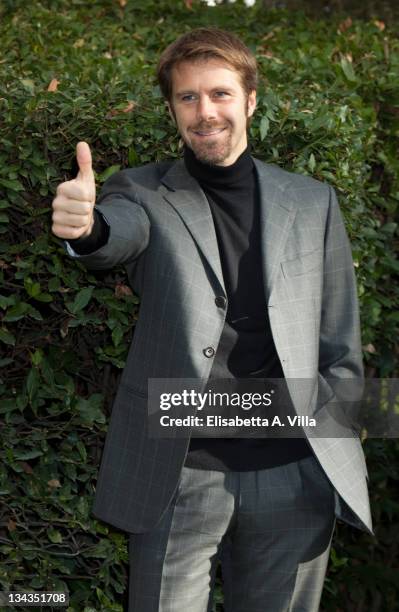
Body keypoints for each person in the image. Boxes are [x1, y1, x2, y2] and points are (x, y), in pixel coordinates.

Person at [52, 27, 372, 612]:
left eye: (220, 94)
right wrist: (88, 229)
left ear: (251, 100)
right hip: (179, 474)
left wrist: (336, 450)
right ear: (172, 108)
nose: (206, 113)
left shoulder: (311, 200)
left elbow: (339, 340)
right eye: (188, 98)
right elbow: (117, 233)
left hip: (294, 472)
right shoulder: (142, 193)